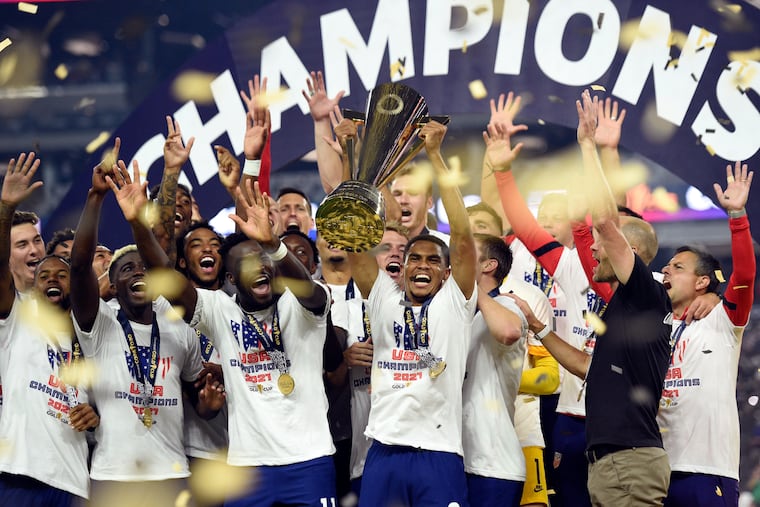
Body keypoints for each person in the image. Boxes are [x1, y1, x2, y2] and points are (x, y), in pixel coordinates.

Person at [115, 154, 338, 505]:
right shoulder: (220, 310)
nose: (258, 268)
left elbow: (307, 287)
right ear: (231, 280)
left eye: (263, 260)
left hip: (309, 461)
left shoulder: (301, 305)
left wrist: (273, 244)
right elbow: (169, 279)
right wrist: (138, 225)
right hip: (247, 468)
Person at [513, 90, 672, 506]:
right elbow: (587, 365)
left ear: (630, 256)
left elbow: (603, 220)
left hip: (630, 461)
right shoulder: (623, 308)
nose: (594, 251)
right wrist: (540, 327)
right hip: (607, 459)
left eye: (605, 245)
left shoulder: (646, 294)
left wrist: (590, 148)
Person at [69, 153, 224, 506]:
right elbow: (78, 269)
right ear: (113, 284)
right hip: (113, 477)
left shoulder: (178, 326)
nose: (138, 273)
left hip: (173, 474)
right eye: (126, 270)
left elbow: (197, 397)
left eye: (144, 268)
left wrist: (209, 406)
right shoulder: (100, 322)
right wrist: (95, 198)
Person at [348, 120, 477, 507]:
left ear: (447, 271)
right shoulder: (385, 298)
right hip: (384, 451)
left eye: (432, 260)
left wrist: (435, 155)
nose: (422, 265)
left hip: (438, 453)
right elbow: (357, 242)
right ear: (401, 269)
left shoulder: (455, 302)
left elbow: (464, 239)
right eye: (413, 259)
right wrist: (358, 158)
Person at [0, 152, 98, 506]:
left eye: (36, 241)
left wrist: (94, 415)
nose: (33, 250)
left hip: (73, 478)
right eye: (21, 244)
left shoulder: (80, 320)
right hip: (20, 473)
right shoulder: (13, 310)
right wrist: (6, 207)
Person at [659, 161, 755, 507]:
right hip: (656, 469)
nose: (666, 270)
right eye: (666, 266)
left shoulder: (723, 322)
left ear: (702, 282)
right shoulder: (658, 322)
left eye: (677, 267)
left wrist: (738, 216)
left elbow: (743, 275)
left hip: (708, 468)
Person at [466, 204, 559, 507]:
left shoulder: (520, 300)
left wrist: (495, 378)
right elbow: (440, 364)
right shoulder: (449, 302)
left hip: (515, 434)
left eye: (476, 230)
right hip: (457, 444)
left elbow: (550, 377)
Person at [464, 233, 527, 507]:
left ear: (488, 265)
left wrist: (467, 285)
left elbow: (509, 331)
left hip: (492, 463)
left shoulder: (505, 305)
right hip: (455, 457)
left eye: (465, 252)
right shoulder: (457, 312)